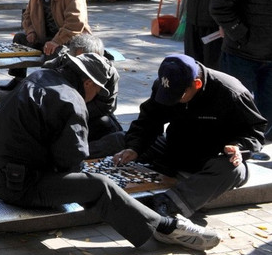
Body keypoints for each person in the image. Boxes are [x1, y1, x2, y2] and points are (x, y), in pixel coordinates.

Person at [0, 53, 222, 253]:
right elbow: (70, 161)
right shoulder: (70, 100)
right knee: (98, 185)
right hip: (15, 184)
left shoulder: (40, 77)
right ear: (88, 82)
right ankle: (167, 227)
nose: (96, 97)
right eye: (98, 90)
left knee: (93, 168)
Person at [112, 54, 266, 218]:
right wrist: (134, 147)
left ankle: (167, 204)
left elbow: (255, 132)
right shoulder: (165, 86)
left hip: (212, 158)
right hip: (174, 149)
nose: (174, 100)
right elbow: (149, 119)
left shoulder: (231, 93)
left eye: (178, 96)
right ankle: (84, 169)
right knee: (121, 138)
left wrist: (238, 147)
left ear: (197, 84)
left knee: (234, 170)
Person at [210, 0, 272, 142]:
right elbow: (219, 7)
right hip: (241, 54)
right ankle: (235, 146)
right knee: (238, 105)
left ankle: (259, 144)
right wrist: (242, 35)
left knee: (268, 109)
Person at [1, 0, 91, 90]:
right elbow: (27, 16)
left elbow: (75, 22)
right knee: (19, 38)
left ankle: (48, 86)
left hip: (69, 40)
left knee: (54, 52)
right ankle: (18, 80)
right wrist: (30, 31)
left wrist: (56, 41)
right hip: (45, 38)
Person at [42, 34, 124, 157]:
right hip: (61, 115)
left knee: (111, 128)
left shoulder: (109, 73)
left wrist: (79, 112)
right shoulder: (54, 67)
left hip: (90, 114)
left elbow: (106, 106)